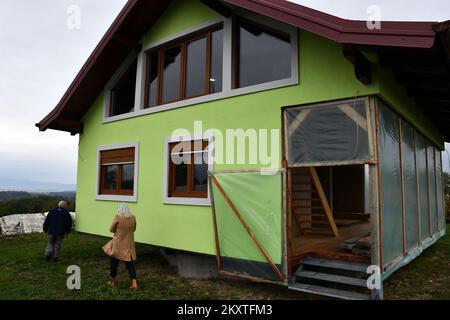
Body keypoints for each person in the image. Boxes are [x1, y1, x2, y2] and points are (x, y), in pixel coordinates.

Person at [103, 203, 138, 289]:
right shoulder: (133, 217)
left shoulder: (118, 216)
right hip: (129, 243)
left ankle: (112, 281)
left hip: (118, 243)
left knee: (114, 263)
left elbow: (111, 229)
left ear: (119, 209)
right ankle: (134, 282)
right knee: (130, 264)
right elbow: (134, 229)